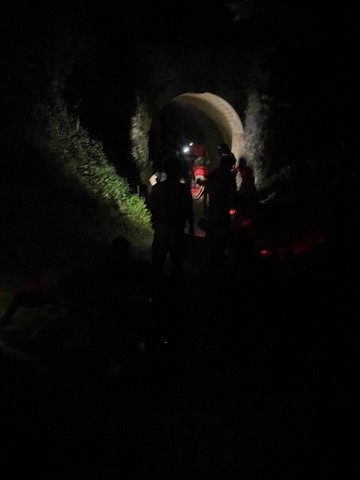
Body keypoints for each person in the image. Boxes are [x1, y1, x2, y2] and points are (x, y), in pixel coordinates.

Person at [149, 154, 195, 278]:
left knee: (158, 263)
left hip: (162, 229)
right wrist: (191, 226)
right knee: (177, 264)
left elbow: (153, 209)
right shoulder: (184, 189)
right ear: (179, 170)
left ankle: (158, 290)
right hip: (177, 229)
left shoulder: (157, 188)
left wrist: (154, 222)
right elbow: (189, 209)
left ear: (165, 170)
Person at [203, 154, 237, 266]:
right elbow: (232, 195)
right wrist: (233, 212)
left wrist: (205, 206)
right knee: (223, 233)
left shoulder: (213, 174)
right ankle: (220, 260)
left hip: (213, 208)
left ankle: (211, 258)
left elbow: (207, 190)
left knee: (212, 234)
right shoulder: (229, 177)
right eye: (231, 165)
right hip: (223, 209)